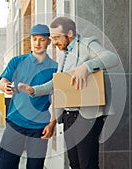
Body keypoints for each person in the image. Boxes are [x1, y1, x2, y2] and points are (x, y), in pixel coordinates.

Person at [18, 17, 120, 169]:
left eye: (57, 37)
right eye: (52, 38)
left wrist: (86, 66)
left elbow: (112, 58)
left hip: (86, 115)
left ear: (70, 33)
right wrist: (34, 90)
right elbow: (58, 83)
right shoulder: (63, 54)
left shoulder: (87, 44)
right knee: (75, 164)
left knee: (88, 165)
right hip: (68, 115)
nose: (54, 42)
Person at [0, 24, 58, 169]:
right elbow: (3, 80)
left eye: (42, 39)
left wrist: (53, 122)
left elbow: (58, 98)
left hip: (39, 127)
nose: (37, 43)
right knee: (6, 165)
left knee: (35, 166)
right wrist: (5, 86)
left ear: (49, 42)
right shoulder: (17, 61)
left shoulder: (55, 68)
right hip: (15, 123)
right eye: (34, 39)